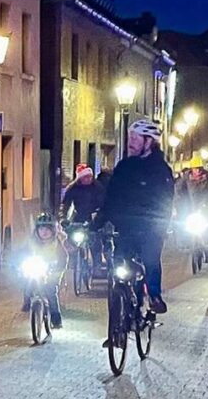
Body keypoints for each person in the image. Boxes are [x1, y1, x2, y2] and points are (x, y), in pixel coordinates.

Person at [98, 119, 174, 314]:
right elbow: (111, 197)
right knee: (118, 272)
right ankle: (116, 328)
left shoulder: (160, 170)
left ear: (149, 141)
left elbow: (165, 200)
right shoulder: (124, 167)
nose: (130, 142)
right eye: (130, 137)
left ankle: (155, 296)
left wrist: (160, 225)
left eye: (135, 138)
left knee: (149, 260)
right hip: (125, 228)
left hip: (150, 229)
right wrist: (98, 222)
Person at [21, 213, 68, 329]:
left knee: (51, 293)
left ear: (52, 230)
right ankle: (27, 301)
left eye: (47, 229)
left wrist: (58, 269)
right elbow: (22, 252)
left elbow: (63, 258)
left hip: (52, 272)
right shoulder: (31, 242)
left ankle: (56, 319)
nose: (44, 232)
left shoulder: (56, 244)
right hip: (36, 268)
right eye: (41, 228)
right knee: (28, 284)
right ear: (37, 230)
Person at [60, 163, 105, 268]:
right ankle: (72, 259)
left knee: (95, 239)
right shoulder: (72, 188)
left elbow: (103, 204)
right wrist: (63, 218)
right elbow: (65, 204)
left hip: (94, 217)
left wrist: (99, 217)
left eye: (90, 177)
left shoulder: (98, 187)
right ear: (80, 178)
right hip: (79, 216)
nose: (88, 179)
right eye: (85, 177)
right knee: (71, 235)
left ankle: (97, 264)